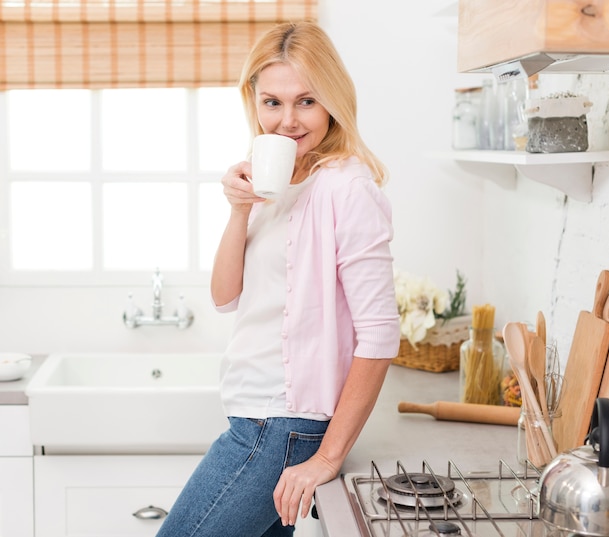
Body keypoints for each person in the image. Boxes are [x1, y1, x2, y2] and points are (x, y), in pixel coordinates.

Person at [155, 21, 400, 537]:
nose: (287, 120)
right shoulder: (274, 179)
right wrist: (238, 210)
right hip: (258, 418)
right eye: (272, 102)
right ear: (254, 102)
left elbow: (379, 337)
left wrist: (327, 457)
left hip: (281, 426)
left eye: (306, 101)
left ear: (332, 100)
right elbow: (225, 298)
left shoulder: (346, 188)